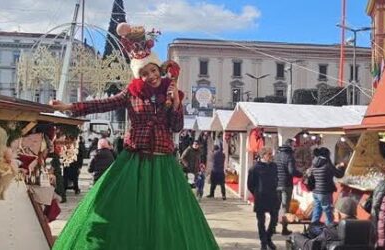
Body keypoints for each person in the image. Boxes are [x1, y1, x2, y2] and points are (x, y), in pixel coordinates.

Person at [48, 22, 218, 249]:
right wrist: (70, 107)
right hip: (135, 158)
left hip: (163, 162)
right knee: (126, 208)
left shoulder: (171, 93)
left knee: (165, 213)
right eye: (144, 73)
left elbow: (176, 127)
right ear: (139, 75)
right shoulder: (132, 93)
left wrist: (177, 103)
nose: (151, 76)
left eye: (153, 70)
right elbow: (103, 104)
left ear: (159, 69)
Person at [248, 147, 279, 250]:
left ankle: (268, 238)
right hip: (261, 198)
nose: (271, 156)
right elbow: (250, 184)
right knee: (261, 222)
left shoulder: (274, 166)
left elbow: (277, 179)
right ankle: (263, 243)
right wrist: (257, 193)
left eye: (271, 154)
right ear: (263, 155)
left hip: (273, 197)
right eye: (269, 154)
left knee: (274, 219)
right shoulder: (255, 168)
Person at [310, 147, 346, 226]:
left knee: (317, 208)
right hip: (324, 191)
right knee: (327, 209)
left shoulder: (314, 164)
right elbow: (339, 174)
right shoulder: (327, 164)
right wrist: (341, 167)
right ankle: (329, 226)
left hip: (315, 191)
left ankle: (313, 225)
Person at [274, 139, 302, 235]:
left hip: (276, 184)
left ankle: (272, 227)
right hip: (286, 185)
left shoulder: (276, 156)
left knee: (276, 207)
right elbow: (292, 171)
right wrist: (300, 174)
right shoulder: (289, 157)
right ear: (290, 147)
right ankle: (284, 229)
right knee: (285, 207)